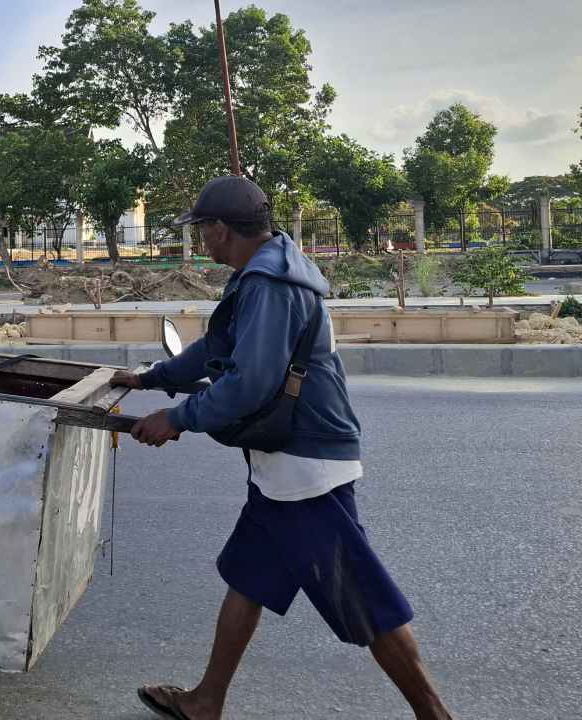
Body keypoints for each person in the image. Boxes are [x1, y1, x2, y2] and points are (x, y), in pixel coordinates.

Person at [111, 176, 453, 720]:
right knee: (247, 578)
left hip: (303, 466)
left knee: (363, 599)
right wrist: (153, 379)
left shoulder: (270, 286)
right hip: (286, 461)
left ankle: (435, 715)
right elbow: (217, 348)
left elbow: (249, 385)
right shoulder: (262, 273)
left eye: (201, 230)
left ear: (221, 229)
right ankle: (205, 701)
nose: (199, 241)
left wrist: (177, 418)